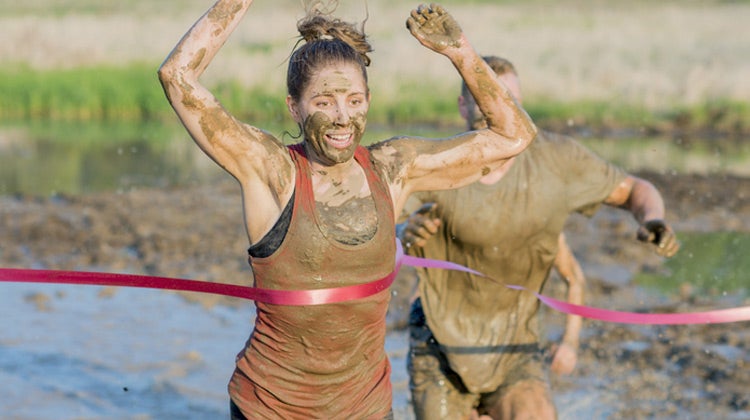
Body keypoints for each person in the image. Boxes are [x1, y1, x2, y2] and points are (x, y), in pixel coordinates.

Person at [158, 1, 537, 417]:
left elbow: (513, 136)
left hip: (366, 407)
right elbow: (176, 76)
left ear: (368, 101)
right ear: (294, 107)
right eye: (324, 101)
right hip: (272, 407)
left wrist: (460, 51)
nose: (342, 118)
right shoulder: (271, 170)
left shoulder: (394, 169)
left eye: (355, 101)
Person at [398, 56, 680, 419]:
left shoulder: (556, 160)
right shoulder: (437, 160)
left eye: (505, 98)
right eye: (481, 98)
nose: (494, 108)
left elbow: (633, 190)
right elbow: (379, 223)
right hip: (439, 344)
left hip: (518, 345)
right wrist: (404, 233)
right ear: (461, 105)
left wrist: (653, 218)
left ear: (520, 104)